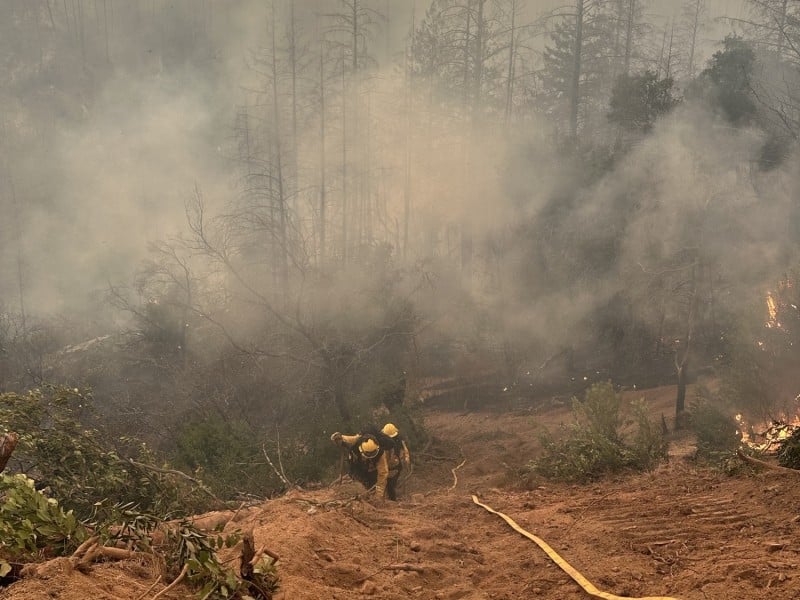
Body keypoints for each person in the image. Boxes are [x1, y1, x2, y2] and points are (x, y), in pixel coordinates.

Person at [330, 427, 402, 500]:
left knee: (372, 481)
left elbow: (382, 473)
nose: (369, 456)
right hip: (360, 466)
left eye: (372, 454)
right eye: (368, 454)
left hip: (372, 469)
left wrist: (379, 495)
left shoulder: (380, 454)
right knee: (357, 476)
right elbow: (352, 439)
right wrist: (340, 438)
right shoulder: (359, 441)